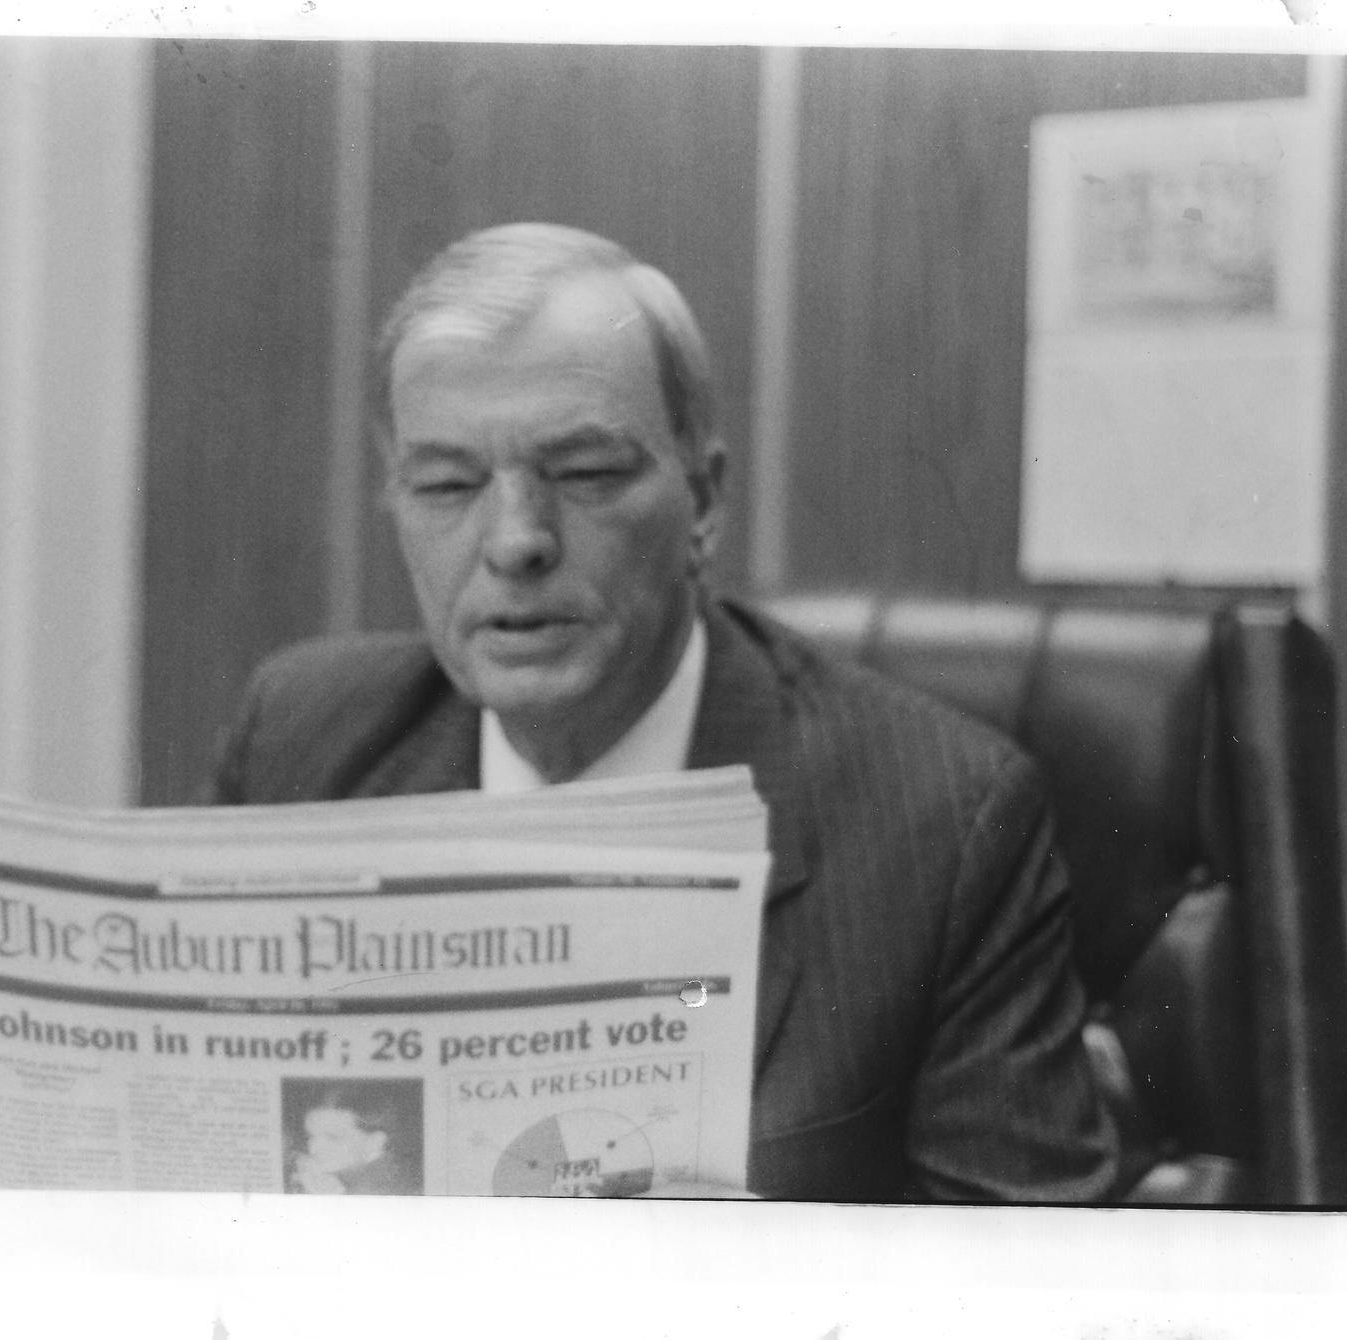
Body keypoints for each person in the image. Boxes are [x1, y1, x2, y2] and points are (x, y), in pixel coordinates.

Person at [212, 222, 1120, 1202]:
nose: (514, 541)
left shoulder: (941, 824)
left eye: (585, 474)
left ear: (704, 503)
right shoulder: (300, 741)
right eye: (447, 484)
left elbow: (1021, 1268)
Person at [287, 1087, 420, 1196]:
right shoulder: (338, 1175)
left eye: (333, 1137)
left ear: (375, 1143)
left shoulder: (394, 1190)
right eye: (310, 1137)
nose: (313, 1149)